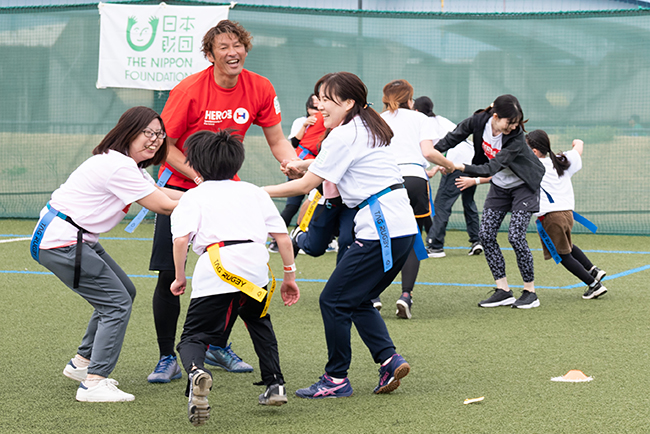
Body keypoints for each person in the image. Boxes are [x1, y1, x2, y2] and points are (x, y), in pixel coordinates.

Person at [265, 72, 439, 399]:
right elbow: (332, 166)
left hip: (380, 228)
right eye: (319, 98)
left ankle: (336, 378)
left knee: (333, 300)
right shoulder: (365, 126)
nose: (319, 106)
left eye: (327, 100)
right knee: (356, 298)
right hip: (399, 227)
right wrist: (306, 166)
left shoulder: (344, 135)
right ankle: (389, 359)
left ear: (348, 102)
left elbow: (305, 187)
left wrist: (256, 193)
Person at [147, 19, 297, 382]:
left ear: (246, 48)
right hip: (182, 189)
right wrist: (199, 179)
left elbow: (277, 138)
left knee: (234, 271)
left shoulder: (259, 87)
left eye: (238, 46)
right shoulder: (189, 90)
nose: (233, 53)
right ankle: (167, 356)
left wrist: (291, 162)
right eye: (223, 48)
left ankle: (216, 346)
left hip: (226, 188)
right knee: (171, 273)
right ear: (210, 55)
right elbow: (163, 144)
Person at [30, 106, 180, 402]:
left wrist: (211, 196)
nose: (155, 140)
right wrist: (212, 206)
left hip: (69, 236)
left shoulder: (126, 165)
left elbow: (168, 195)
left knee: (124, 290)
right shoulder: (119, 166)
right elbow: (162, 205)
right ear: (128, 131)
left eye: (160, 134)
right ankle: (94, 384)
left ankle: (82, 364)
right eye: (147, 132)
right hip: (64, 241)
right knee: (117, 302)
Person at [169, 130, 299, 426]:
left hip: (216, 266)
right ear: (237, 163)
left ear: (197, 165)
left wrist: (179, 277)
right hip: (256, 269)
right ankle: (275, 384)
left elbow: (180, 241)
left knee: (193, 337)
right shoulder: (254, 192)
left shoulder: (193, 196)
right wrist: (289, 276)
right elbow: (282, 238)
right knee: (258, 321)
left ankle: (196, 372)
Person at [436, 94, 545, 309]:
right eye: (510, 122)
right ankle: (503, 290)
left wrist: (458, 167)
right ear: (495, 116)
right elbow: (453, 137)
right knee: (485, 236)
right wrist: (431, 153)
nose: (514, 127)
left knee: (515, 236)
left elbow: (491, 168)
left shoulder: (515, 138)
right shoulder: (478, 122)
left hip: (524, 186)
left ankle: (530, 292)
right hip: (500, 187)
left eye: (517, 123)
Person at [379, 81, 454, 319]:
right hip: (414, 179)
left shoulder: (378, 119)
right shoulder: (420, 118)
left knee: (381, 239)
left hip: (386, 181)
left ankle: (373, 296)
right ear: (410, 99)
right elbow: (429, 153)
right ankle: (405, 296)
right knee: (411, 239)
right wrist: (449, 165)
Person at [527, 130, 607, 299]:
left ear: (534, 152)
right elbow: (579, 146)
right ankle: (593, 270)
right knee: (568, 246)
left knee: (562, 255)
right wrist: (576, 141)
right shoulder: (561, 161)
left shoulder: (531, 167)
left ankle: (594, 285)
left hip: (551, 218)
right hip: (568, 214)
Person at [414, 96, 484, 259]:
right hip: (471, 160)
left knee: (442, 203)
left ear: (416, 111)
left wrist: (437, 168)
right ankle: (477, 241)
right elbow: (451, 143)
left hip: (457, 163)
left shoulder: (423, 123)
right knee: (468, 201)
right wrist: (439, 167)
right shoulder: (441, 120)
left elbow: (431, 151)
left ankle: (435, 246)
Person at [269, 94, 327, 252]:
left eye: (321, 104)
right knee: (293, 205)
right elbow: (293, 142)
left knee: (311, 202)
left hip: (313, 167)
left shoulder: (331, 123)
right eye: (314, 106)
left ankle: (300, 235)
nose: (318, 109)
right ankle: (279, 238)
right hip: (301, 164)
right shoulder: (303, 122)